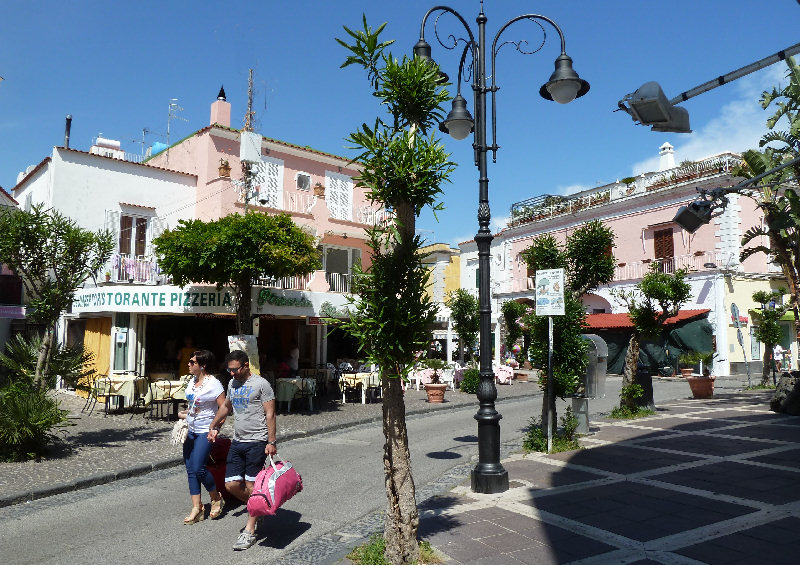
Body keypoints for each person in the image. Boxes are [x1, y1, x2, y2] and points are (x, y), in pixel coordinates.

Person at [208, 350, 277, 551]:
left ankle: (249, 531)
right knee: (230, 485)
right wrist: (214, 426)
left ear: (246, 365)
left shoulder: (261, 384)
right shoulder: (232, 384)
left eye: (235, 369)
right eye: (229, 370)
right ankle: (259, 507)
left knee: (251, 485)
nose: (232, 373)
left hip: (257, 441)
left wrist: (271, 441)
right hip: (238, 441)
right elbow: (226, 407)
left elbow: (270, 413)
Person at [179, 349, 226, 525]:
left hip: (205, 430)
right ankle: (196, 508)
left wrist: (216, 428)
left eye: (193, 362)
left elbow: (224, 409)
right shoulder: (192, 381)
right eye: (190, 362)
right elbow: (193, 403)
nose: (189, 364)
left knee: (198, 467)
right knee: (190, 468)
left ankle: (216, 497)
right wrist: (186, 414)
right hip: (190, 429)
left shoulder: (214, 384)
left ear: (203, 365)